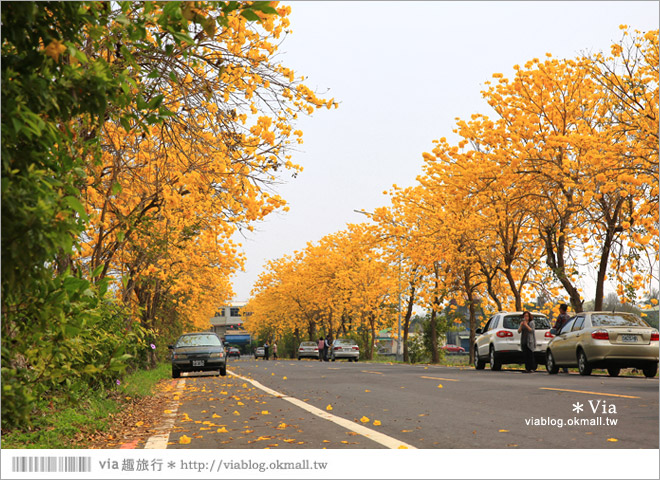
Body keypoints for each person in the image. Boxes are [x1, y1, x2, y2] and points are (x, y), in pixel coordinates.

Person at [553, 304, 570, 373]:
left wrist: (554, 329)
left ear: (561, 309)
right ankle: (566, 369)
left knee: (560, 352)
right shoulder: (568, 317)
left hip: (561, 335)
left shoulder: (560, 316)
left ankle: (563, 368)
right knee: (565, 352)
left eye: (560, 308)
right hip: (567, 335)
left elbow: (557, 325)